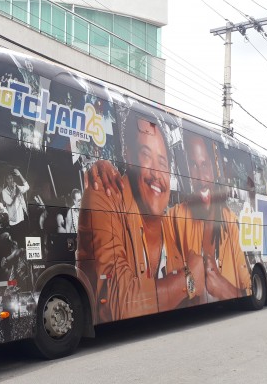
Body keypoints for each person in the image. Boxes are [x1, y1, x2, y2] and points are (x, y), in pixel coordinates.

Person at [77, 115, 206, 323]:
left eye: (162, 162)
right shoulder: (103, 194)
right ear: (128, 156)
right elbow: (117, 303)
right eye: (146, 155)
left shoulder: (175, 237)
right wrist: (187, 280)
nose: (156, 173)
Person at [169, 132, 251, 301]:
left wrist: (223, 287)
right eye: (194, 165)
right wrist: (191, 278)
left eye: (205, 165)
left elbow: (246, 288)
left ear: (215, 170)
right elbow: (175, 293)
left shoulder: (230, 222)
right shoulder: (175, 217)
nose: (200, 177)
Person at [1, 168, 29, 244]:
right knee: (17, 244)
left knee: (24, 243)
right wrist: (14, 190)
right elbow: (9, 202)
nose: (11, 180)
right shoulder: (4, 192)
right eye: (9, 178)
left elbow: (27, 187)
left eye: (12, 178)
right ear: (6, 180)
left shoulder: (17, 187)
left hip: (22, 219)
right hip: (14, 222)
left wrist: (20, 175)